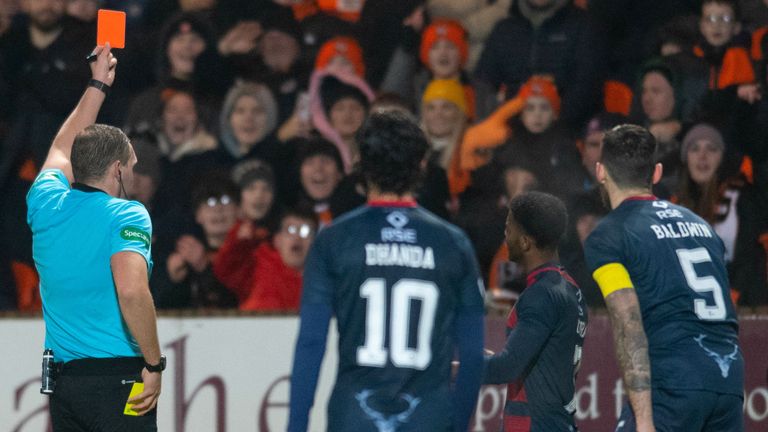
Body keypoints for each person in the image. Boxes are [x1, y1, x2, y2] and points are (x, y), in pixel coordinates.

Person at [288, 109, 485, 431]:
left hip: (354, 416)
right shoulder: (453, 243)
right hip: (428, 417)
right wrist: (458, 424)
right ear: (422, 163)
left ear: (360, 164)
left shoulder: (334, 240)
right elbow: (473, 355)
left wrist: (295, 427)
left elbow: (311, 342)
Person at [26, 45, 163, 429]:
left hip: (65, 386)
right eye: (133, 166)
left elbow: (60, 147)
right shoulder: (126, 214)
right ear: (117, 170)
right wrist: (154, 363)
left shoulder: (45, 203)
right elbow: (132, 291)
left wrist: (98, 83)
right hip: (118, 380)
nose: (134, 176)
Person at [584, 124, 743, 431]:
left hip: (673, 383)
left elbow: (627, 324)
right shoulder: (703, 227)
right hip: (728, 379)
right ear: (656, 173)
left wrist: (644, 421)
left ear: (601, 171)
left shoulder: (607, 236)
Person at [483, 191, 587, 431]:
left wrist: (456, 368)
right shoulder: (570, 288)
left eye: (509, 229)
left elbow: (506, 368)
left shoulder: (541, 295)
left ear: (525, 242)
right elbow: (544, 361)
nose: (505, 236)